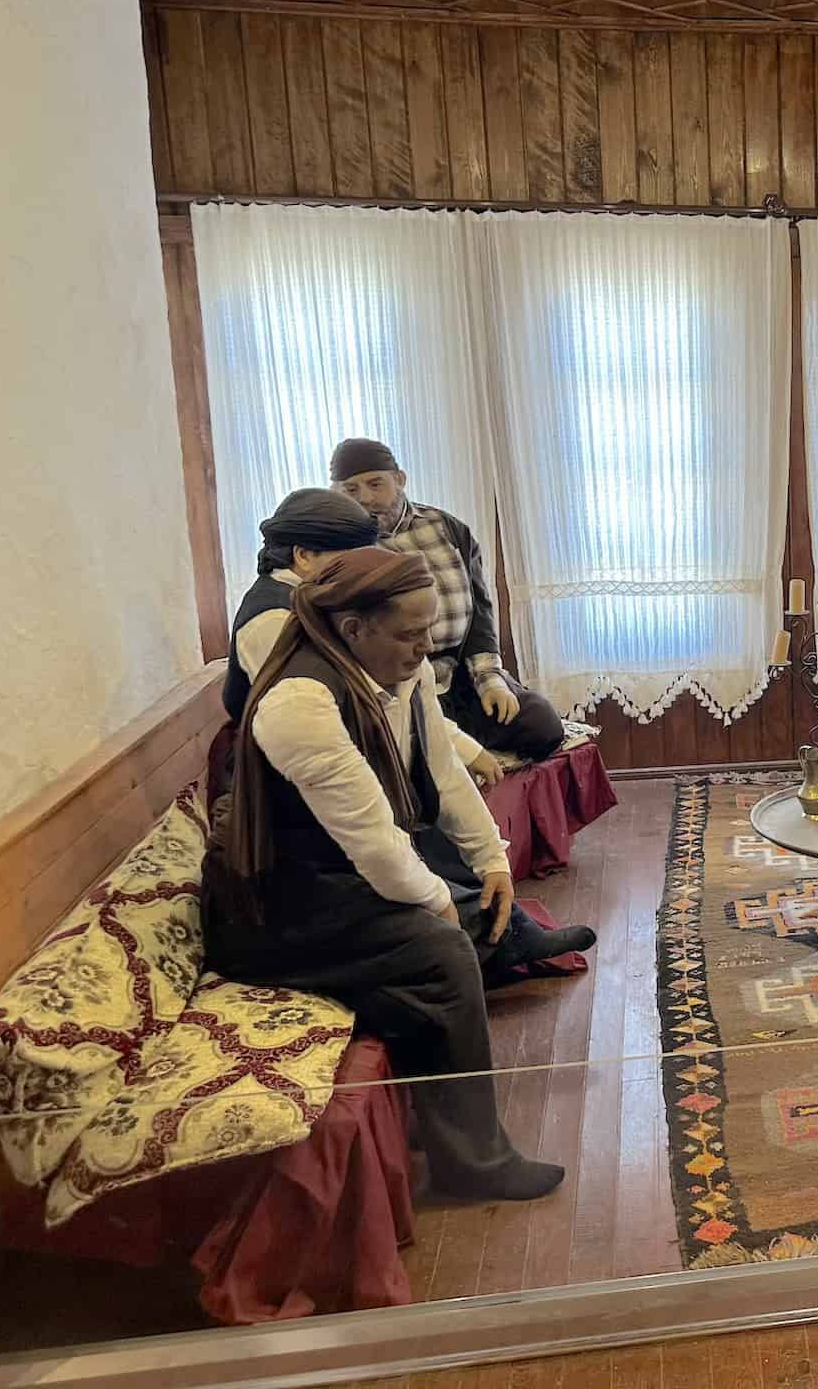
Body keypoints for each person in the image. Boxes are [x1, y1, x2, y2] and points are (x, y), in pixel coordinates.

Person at [202, 547, 598, 1201]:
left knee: (468, 911)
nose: (424, 648)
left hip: (330, 881)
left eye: (428, 631)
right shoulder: (299, 701)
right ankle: (475, 1164)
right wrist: (436, 907)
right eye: (410, 634)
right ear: (354, 628)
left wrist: (492, 859)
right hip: (273, 911)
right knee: (442, 952)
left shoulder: (386, 668)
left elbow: (442, 770)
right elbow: (373, 839)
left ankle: (437, 1103)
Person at [224, 488, 503, 789]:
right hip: (295, 786)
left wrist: (463, 750)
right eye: (352, 560)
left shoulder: (322, 598)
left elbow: (388, 696)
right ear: (304, 556)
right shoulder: (271, 621)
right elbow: (326, 731)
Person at [330, 438, 564, 762]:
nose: (366, 498)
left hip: (458, 675)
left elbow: (479, 611)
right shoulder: (336, 547)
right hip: (396, 686)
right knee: (410, 752)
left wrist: (490, 680)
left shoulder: (447, 528)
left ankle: (452, 748)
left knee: (542, 726)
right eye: (351, 489)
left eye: (375, 484)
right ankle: (447, 751)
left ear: (399, 479)